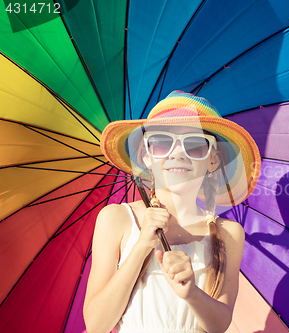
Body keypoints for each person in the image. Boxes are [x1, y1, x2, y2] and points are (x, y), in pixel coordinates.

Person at [83, 91, 261, 333]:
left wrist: (192, 293)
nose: (177, 153)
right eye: (163, 142)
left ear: (213, 160)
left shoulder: (228, 232)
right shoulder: (117, 218)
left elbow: (219, 324)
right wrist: (141, 247)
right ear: (146, 156)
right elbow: (96, 324)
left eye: (195, 146)